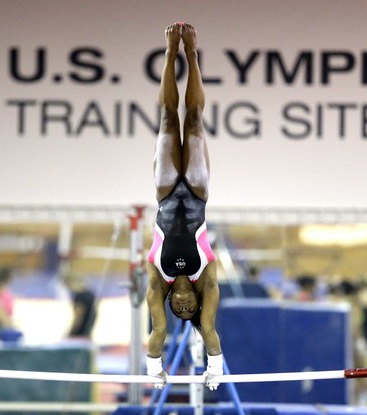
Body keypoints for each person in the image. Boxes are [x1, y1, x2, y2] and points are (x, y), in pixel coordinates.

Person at [145, 23, 222, 391]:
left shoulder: (156, 279)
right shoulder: (205, 279)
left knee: (165, 118)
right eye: (189, 310)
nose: (185, 308)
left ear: (174, 302)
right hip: (196, 191)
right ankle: (192, 54)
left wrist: (153, 368)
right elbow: (208, 328)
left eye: (181, 309)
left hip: (164, 192)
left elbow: (158, 329)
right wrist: (215, 368)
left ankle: (170, 51)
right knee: (192, 120)